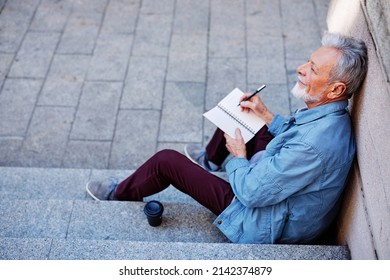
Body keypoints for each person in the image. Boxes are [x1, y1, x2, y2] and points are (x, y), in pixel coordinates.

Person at [86, 32, 368, 244]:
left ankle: (118, 193)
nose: (301, 68)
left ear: (335, 89)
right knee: (243, 116)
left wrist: (238, 156)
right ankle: (210, 161)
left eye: (313, 69)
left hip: (264, 222)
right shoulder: (330, 117)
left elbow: (251, 193)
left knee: (166, 161)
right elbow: (296, 141)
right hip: (284, 200)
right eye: (309, 60)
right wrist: (267, 115)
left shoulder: (314, 145)